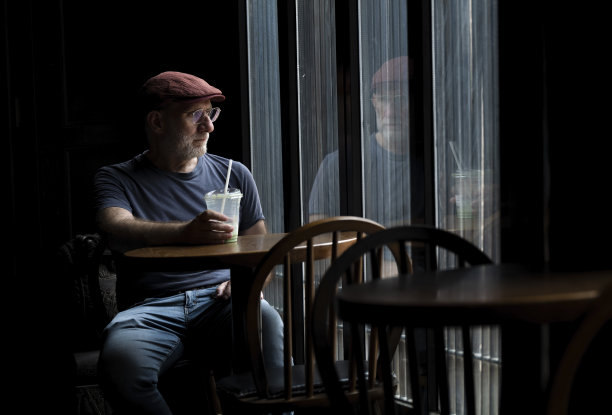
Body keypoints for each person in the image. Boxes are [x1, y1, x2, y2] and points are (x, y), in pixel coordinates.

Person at [93, 71, 284, 414]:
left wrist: (249, 283)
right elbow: (113, 223)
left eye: (211, 114)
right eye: (195, 115)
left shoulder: (234, 173)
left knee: (266, 323)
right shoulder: (117, 177)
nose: (208, 126)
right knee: (119, 365)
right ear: (157, 122)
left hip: (221, 302)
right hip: (150, 310)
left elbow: (261, 251)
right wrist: (185, 233)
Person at [308, 56, 424, 228]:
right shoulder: (336, 166)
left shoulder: (434, 166)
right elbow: (318, 241)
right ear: (374, 104)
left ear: (417, 104)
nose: (390, 112)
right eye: (384, 99)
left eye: (400, 99)